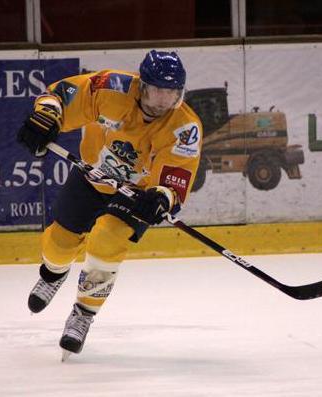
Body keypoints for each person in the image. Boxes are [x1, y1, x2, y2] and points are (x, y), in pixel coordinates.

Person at [16, 50, 202, 358]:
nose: (162, 101)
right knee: (58, 246)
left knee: (106, 239)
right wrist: (47, 116)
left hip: (136, 195)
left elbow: (175, 179)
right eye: (157, 91)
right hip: (92, 176)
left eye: (171, 94)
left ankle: (83, 313)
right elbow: (63, 95)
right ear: (142, 86)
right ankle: (53, 273)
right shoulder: (111, 88)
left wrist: (162, 198)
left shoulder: (184, 128)